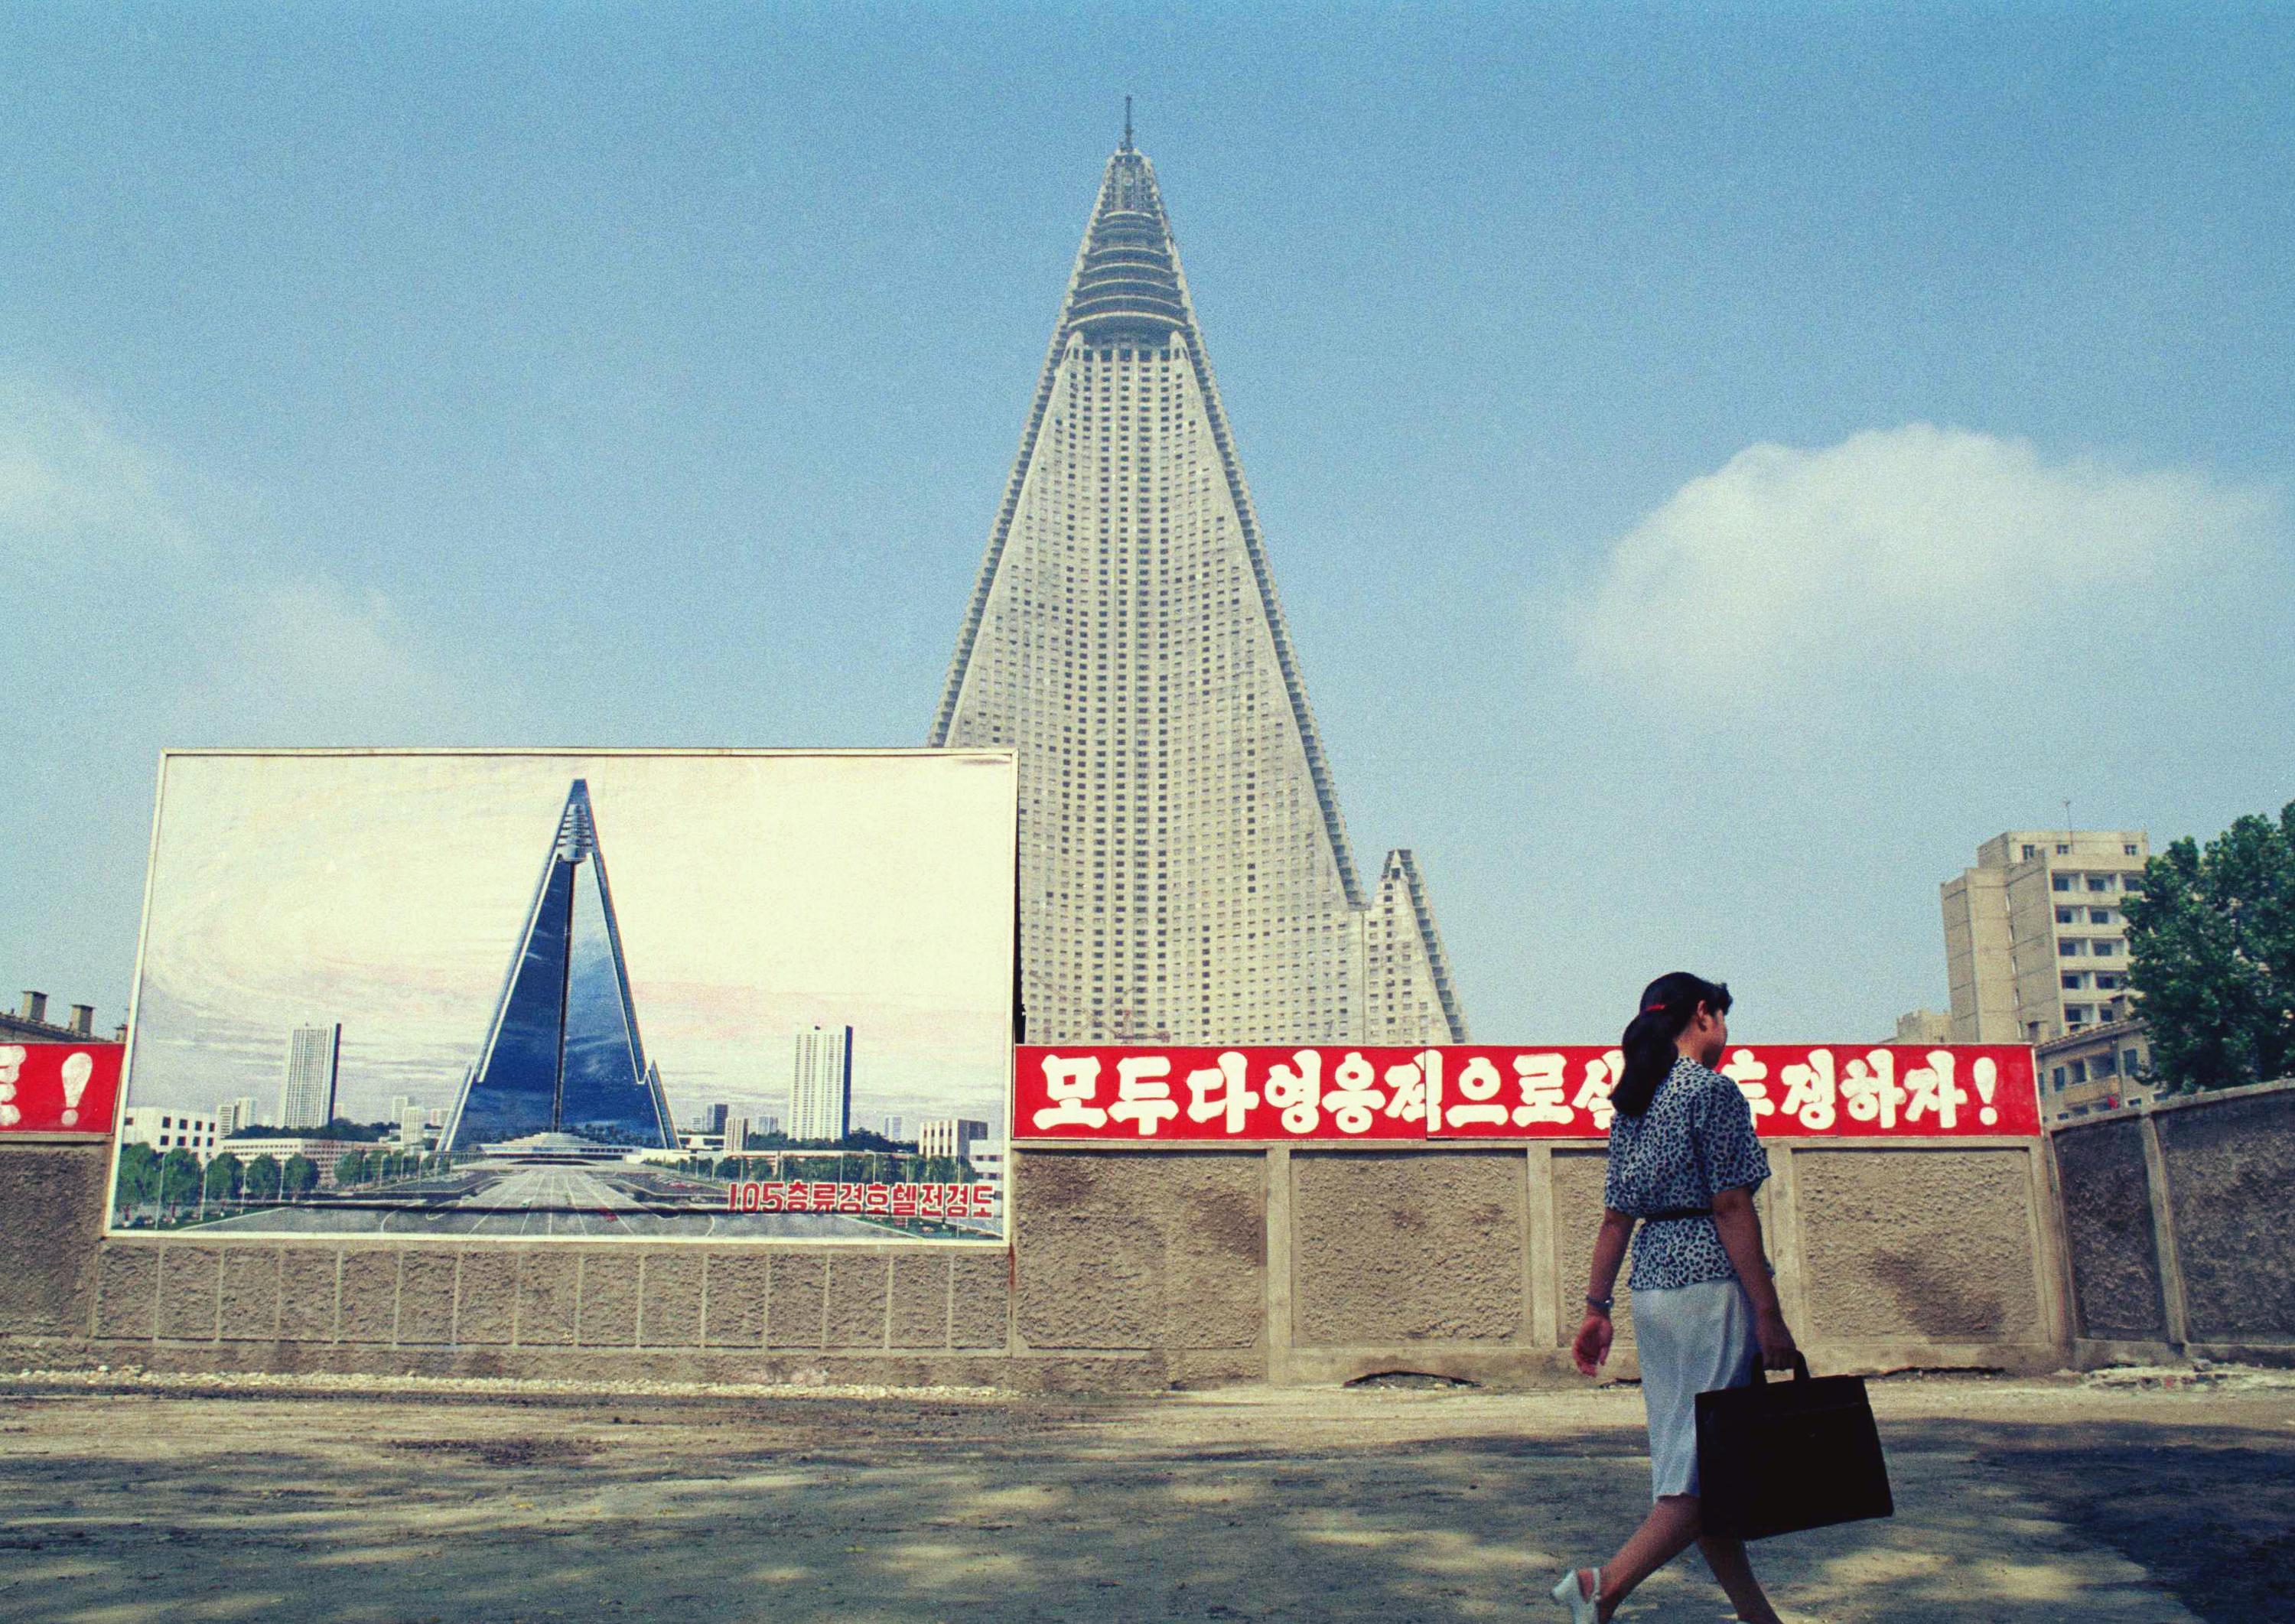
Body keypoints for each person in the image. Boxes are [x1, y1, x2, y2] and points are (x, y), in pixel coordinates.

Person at [1551, 971, 1798, 1624]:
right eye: (1722, 1016)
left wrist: (1595, 1308)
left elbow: (1614, 1217)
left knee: (1696, 1462)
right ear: (1703, 1015)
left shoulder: (1635, 1100)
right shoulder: (1712, 1092)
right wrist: (1770, 1316)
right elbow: (1732, 1203)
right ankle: (1600, 1586)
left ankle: (1760, 1619)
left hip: (1652, 1292)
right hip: (1710, 1291)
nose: (1726, 1030)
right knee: (1702, 1473)